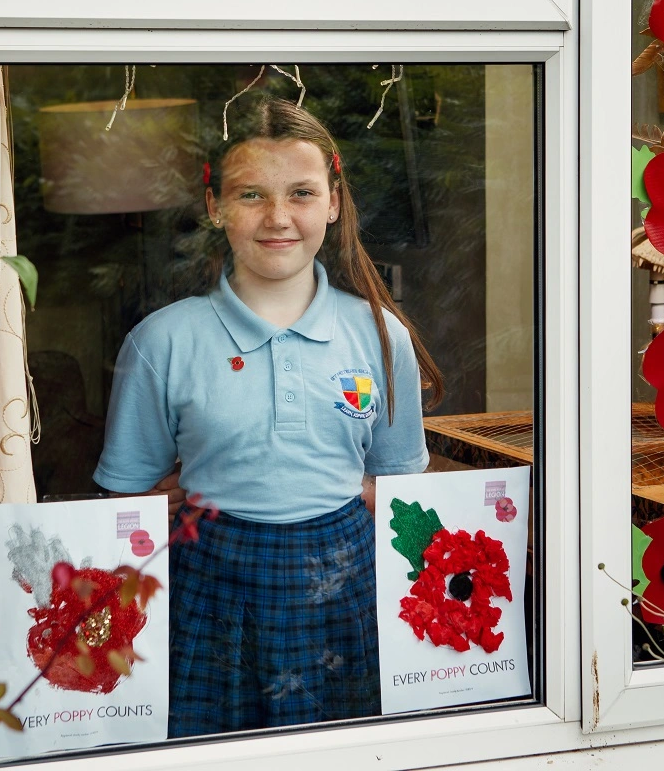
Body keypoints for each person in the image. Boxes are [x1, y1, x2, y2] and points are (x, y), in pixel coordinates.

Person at [93, 98, 445, 737]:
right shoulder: (162, 342)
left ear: (333, 202)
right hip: (208, 600)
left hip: (346, 600)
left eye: (301, 193)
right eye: (251, 194)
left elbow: (399, 490)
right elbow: (125, 508)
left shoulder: (379, 334)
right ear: (215, 207)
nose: (278, 217)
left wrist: (353, 495)